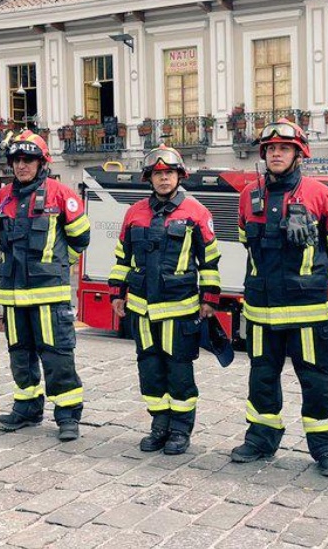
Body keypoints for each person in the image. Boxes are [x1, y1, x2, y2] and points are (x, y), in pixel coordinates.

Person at [229, 119, 328, 478]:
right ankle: (260, 439)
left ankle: (327, 448)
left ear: (299, 154)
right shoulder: (249, 197)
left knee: (316, 380)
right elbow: (245, 245)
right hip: (262, 311)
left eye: (284, 148)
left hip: (307, 314)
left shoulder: (321, 195)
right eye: (271, 149)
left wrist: (310, 282)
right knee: (261, 379)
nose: (276, 153)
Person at [109, 145, 221, 455]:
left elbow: (209, 260)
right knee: (150, 370)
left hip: (180, 310)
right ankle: (159, 425)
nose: (163, 179)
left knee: (179, 371)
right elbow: (122, 257)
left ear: (179, 176)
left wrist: (209, 299)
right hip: (142, 310)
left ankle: (181, 430)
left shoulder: (196, 213)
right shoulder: (134, 213)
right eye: (158, 174)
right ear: (149, 178)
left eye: (169, 173)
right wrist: (117, 292)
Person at [0, 130, 91, 441]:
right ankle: (27, 407)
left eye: (28, 160)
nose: (22, 166)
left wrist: (58, 267)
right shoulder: (1, 197)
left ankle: (68, 416)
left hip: (50, 295)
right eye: (17, 160)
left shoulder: (62, 195)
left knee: (57, 355)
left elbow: (81, 239)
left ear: (41, 163)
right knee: (19, 354)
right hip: (12, 294)